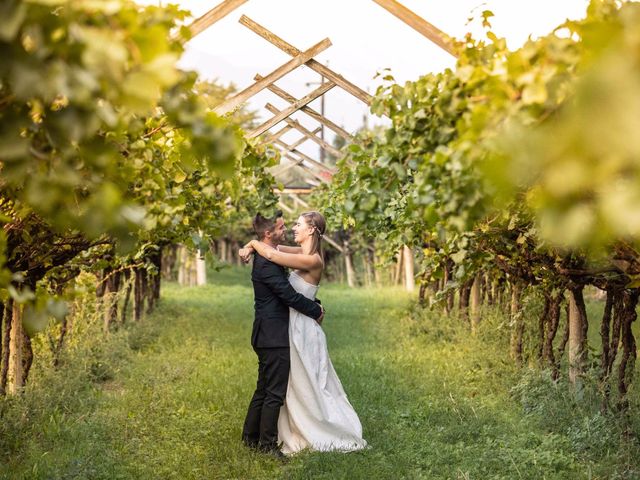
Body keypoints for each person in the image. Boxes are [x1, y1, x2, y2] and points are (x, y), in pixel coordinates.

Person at [240, 211, 367, 455]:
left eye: (296, 224)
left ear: (311, 230)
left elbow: (271, 253)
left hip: (302, 329)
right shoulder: (301, 253)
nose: (291, 228)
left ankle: (317, 426)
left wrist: (254, 243)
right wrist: (252, 243)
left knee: (308, 384)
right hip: (288, 327)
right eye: (287, 225)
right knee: (285, 386)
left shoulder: (313, 260)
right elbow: (271, 250)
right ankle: (264, 438)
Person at [241, 211, 325, 458]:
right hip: (273, 334)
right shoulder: (267, 262)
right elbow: (288, 295)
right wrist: (316, 311)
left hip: (273, 332)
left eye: (292, 225)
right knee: (273, 393)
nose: (286, 229)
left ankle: (250, 437)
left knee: (265, 388)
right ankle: (266, 446)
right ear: (269, 233)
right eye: (281, 227)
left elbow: (282, 260)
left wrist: (251, 244)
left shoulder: (274, 255)